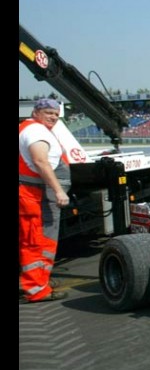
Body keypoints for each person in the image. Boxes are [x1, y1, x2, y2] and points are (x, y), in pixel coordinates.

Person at [19, 97, 71, 303]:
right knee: (36, 243)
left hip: (36, 193)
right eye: (49, 113)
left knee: (39, 242)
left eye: (56, 114)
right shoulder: (35, 131)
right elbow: (41, 161)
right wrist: (59, 190)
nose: (53, 117)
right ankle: (36, 290)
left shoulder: (32, 128)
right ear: (36, 112)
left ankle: (39, 283)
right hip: (34, 195)